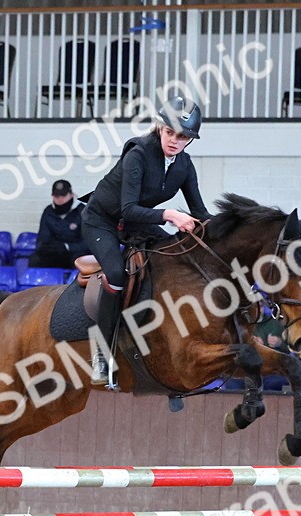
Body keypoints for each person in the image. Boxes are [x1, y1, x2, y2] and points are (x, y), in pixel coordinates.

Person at [82, 95, 213, 385]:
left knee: (171, 258)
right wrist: (170, 215)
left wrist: (229, 228)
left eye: (183, 137)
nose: (175, 141)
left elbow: (200, 212)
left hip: (137, 223)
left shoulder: (184, 165)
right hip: (102, 221)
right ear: (159, 127)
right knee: (116, 274)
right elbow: (128, 208)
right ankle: (101, 354)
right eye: (170, 132)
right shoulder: (138, 154)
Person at [29, 179, 90, 270]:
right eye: (57, 196)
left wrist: (67, 247)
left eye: (63, 195)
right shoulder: (48, 212)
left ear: (71, 194)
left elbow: (88, 243)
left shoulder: (83, 211)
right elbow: (42, 238)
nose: (60, 199)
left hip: (76, 253)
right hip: (55, 253)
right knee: (35, 259)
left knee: (79, 261)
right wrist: (46, 248)